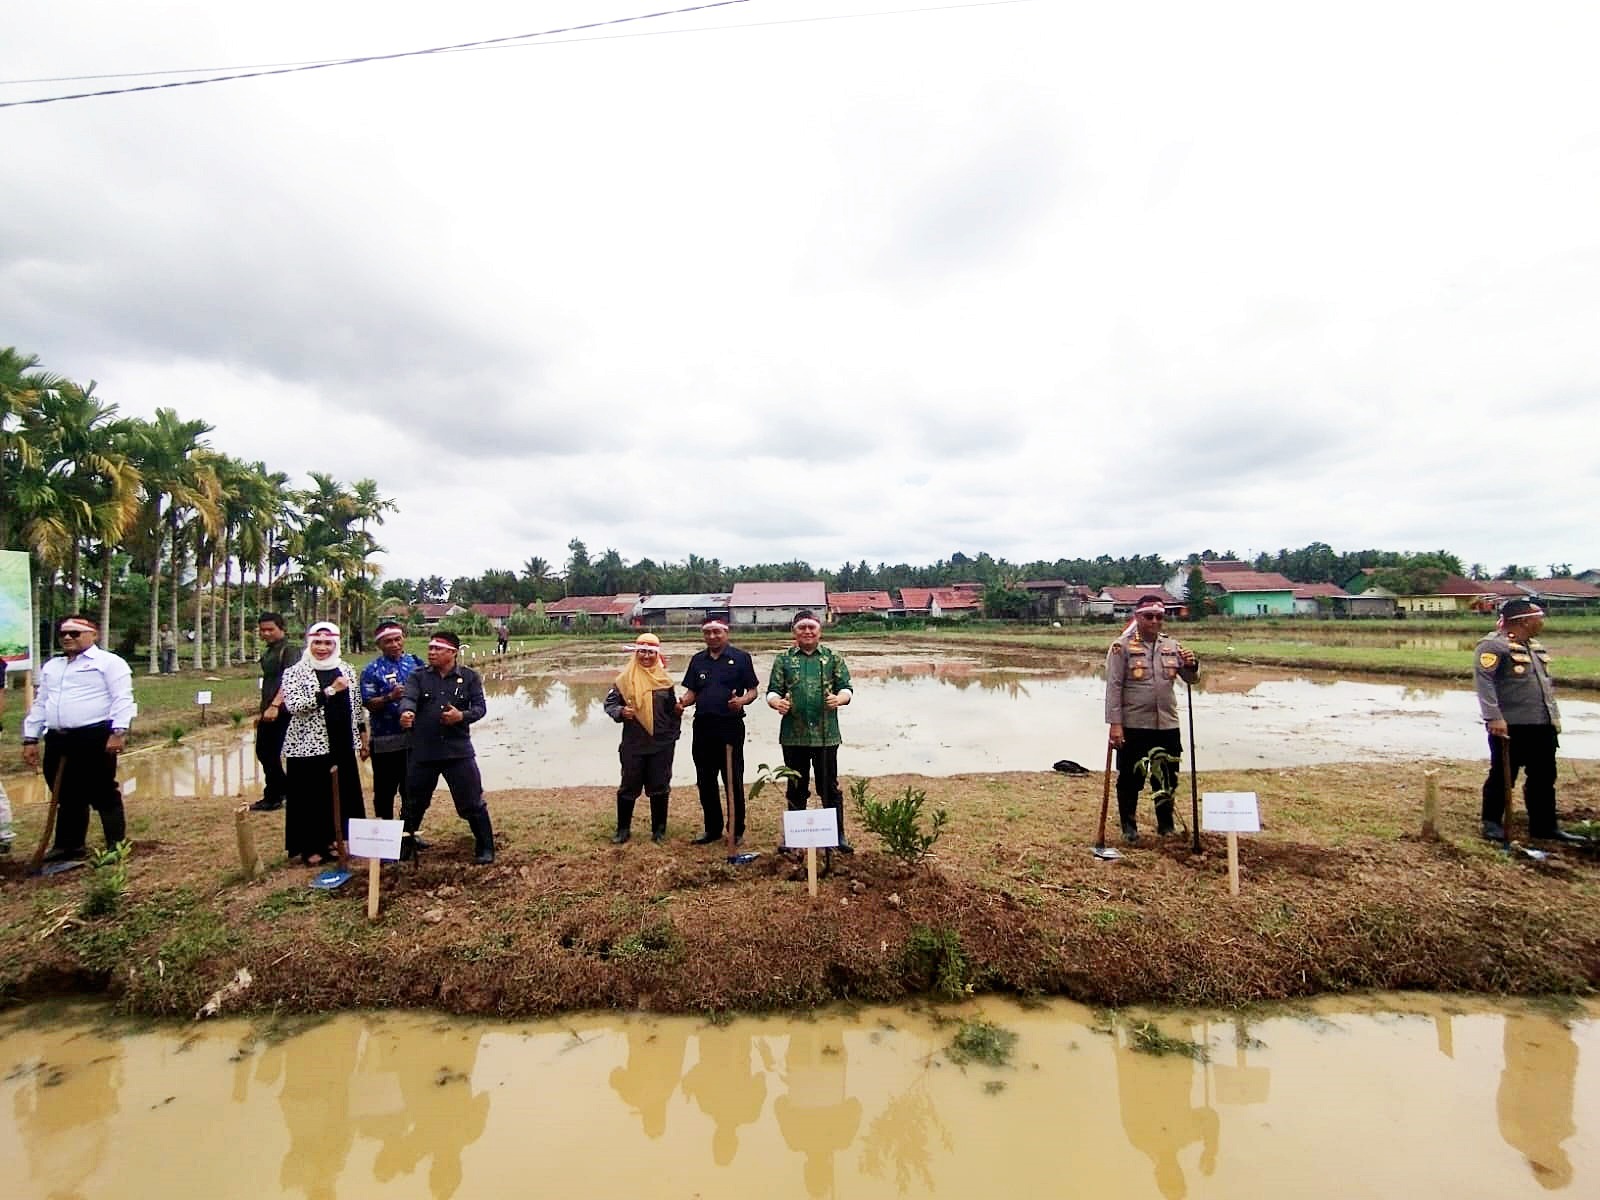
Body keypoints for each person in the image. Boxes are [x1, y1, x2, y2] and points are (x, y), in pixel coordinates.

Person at [20, 614, 135, 861]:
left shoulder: (109, 663)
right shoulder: (53, 666)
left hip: (94, 735)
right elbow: (42, 703)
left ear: (93, 635)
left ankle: (116, 845)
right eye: (63, 634)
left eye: (75, 633)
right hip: (58, 738)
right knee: (65, 793)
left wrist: (118, 731)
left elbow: (122, 698)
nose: (68, 638)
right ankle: (69, 845)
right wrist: (30, 738)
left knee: (102, 790)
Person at [1475, 598, 1581, 843]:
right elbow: (1485, 683)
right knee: (1503, 775)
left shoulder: (1534, 647)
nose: (1541, 621)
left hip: (1541, 723)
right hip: (1511, 724)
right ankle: (1491, 823)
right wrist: (1493, 717)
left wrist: (1552, 718)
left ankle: (1544, 826)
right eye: (1538, 616)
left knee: (1544, 776)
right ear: (1523, 620)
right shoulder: (1493, 646)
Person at [1104, 596, 1199, 843]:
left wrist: (1191, 665)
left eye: (1159, 617)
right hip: (1135, 724)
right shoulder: (1121, 647)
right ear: (1138, 617)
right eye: (1149, 616)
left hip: (1167, 724)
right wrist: (1115, 724)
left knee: (1166, 775)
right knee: (1130, 777)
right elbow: (1114, 687)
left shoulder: (1172, 646)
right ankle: (1129, 826)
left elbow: (1190, 679)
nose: (1154, 621)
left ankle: (1166, 825)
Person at [398, 631, 495, 863]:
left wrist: (461, 716)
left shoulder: (470, 677)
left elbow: (480, 708)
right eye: (430, 648)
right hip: (424, 751)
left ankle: (485, 847)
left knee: (472, 801)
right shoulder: (417, 676)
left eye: (437, 649)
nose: (431, 652)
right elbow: (408, 698)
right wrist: (406, 712)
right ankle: (404, 846)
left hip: (457, 751)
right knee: (413, 802)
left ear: (452, 653)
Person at [278, 621, 369, 867]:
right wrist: (329, 691)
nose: (322, 648)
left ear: (336, 644)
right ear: (309, 643)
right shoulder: (294, 672)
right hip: (309, 745)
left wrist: (362, 735)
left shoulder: (347, 669)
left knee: (340, 793)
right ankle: (310, 846)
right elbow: (295, 706)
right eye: (317, 642)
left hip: (341, 742)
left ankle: (333, 839)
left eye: (328, 643)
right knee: (311, 795)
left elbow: (356, 705)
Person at [766, 611, 854, 853]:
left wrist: (840, 699)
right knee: (796, 785)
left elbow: (846, 687)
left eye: (811, 627)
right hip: (793, 734)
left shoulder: (832, 658)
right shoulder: (783, 659)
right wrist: (776, 703)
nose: (807, 631)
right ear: (794, 631)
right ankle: (794, 837)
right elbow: (772, 691)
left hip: (827, 734)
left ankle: (837, 835)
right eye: (802, 627)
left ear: (820, 631)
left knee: (829, 786)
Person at [678, 619, 760, 847]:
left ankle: (736, 829)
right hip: (703, 727)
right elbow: (692, 691)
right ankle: (712, 829)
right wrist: (682, 703)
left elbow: (753, 690)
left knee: (732, 778)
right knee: (705, 780)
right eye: (707, 633)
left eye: (717, 632)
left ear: (726, 632)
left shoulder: (741, 658)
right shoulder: (698, 660)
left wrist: (742, 701)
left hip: (730, 727)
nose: (712, 636)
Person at [604, 632, 681, 844]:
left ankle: (659, 830)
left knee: (659, 786)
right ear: (636, 653)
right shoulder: (623, 681)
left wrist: (675, 723)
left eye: (650, 652)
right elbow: (609, 705)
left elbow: (672, 711)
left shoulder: (665, 682)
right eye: (642, 652)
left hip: (662, 744)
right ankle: (623, 830)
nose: (646, 656)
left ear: (657, 655)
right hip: (633, 744)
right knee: (629, 786)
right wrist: (621, 711)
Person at [359, 620, 423, 822]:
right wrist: (390, 697)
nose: (394, 644)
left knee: (411, 790)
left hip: (413, 740)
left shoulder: (416, 663)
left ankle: (409, 832)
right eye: (388, 641)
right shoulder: (371, 670)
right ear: (379, 645)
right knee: (385, 792)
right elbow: (368, 704)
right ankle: (386, 835)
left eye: (398, 639)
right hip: (385, 741)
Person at [250, 612, 300, 813]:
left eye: (270, 629)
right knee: (265, 751)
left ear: (282, 629)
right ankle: (281, 790)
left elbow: (291, 680)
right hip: (269, 708)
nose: (266, 633)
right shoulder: (271, 650)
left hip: (283, 710)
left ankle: (276, 795)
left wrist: (275, 705)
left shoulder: (290, 650)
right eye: (262, 630)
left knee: (271, 751)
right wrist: (263, 709)